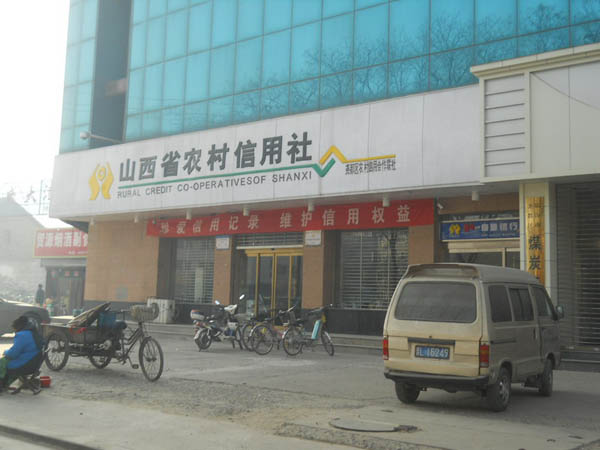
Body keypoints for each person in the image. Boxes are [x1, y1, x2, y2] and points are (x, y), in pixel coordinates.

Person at [0, 316, 43, 391]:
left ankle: (1, 385)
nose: (15, 332)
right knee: (5, 361)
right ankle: (4, 384)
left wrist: (5, 352)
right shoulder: (33, 333)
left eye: (14, 330)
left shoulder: (22, 335)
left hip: (26, 365)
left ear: (18, 327)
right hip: (34, 364)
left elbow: (13, 354)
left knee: (2, 362)